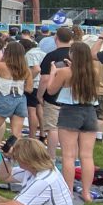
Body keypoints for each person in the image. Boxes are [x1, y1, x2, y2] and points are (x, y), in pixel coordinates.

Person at [47, 41, 100, 202]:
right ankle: (86, 192)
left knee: (68, 156)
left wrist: (53, 73)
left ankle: (68, 192)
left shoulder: (64, 72)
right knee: (87, 156)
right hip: (90, 112)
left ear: (73, 55)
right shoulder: (94, 71)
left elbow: (51, 90)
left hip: (70, 112)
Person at [0, 40, 32, 172]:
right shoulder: (26, 69)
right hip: (20, 99)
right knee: (16, 134)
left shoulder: (1, 66)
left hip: (4, 98)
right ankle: (15, 162)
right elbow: (29, 89)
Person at [38, 26, 73, 161]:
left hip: (54, 97)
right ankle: (70, 156)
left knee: (53, 128)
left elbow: (45, 79)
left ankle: (51, 156)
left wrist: (40, 95)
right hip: (73, 98)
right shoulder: (78, 55)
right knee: (70, 129)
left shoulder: (51, 56)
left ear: (55, 38)